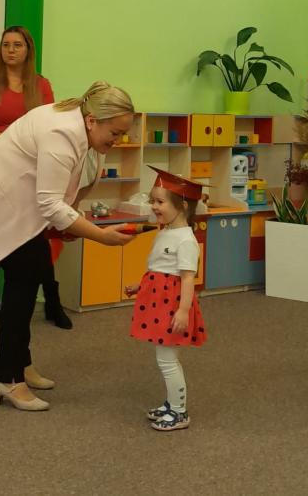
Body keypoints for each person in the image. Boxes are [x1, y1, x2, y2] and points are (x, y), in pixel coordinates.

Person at [0, 80, 137, 411]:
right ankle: (7, 379)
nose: (118, 140)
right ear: (93, 120)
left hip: (19, 204)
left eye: (123, 134)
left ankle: (20, 364)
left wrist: (69, 223)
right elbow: (51, 203)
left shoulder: (80, 123)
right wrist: (100, 236)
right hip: (0, 202)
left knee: (34, 272)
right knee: (21, 289)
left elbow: (64, 191)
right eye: (115, 132)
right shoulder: (62, 133)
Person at [0, 25, 72, 329]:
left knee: (36, 234)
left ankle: (51, 300)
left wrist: (25, 152)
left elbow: (51, 124)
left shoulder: (41, 85)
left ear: (28, 50)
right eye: (5, 45)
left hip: (30, 165)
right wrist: (9, 146)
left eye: (17, 45)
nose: (10, 50)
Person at [124, 167, 207, 432]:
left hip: (172, 307)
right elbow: (160, 269)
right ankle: (172, 405)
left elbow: (187, 278)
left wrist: (183, 311)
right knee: (164, 359)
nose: (154, 206)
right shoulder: (166, 231)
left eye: (159, 202)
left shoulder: (185, 240)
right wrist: (141, 285)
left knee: (168, 361)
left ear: (182, 206)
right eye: (153, 201)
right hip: (158, 302)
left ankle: (180, 413)